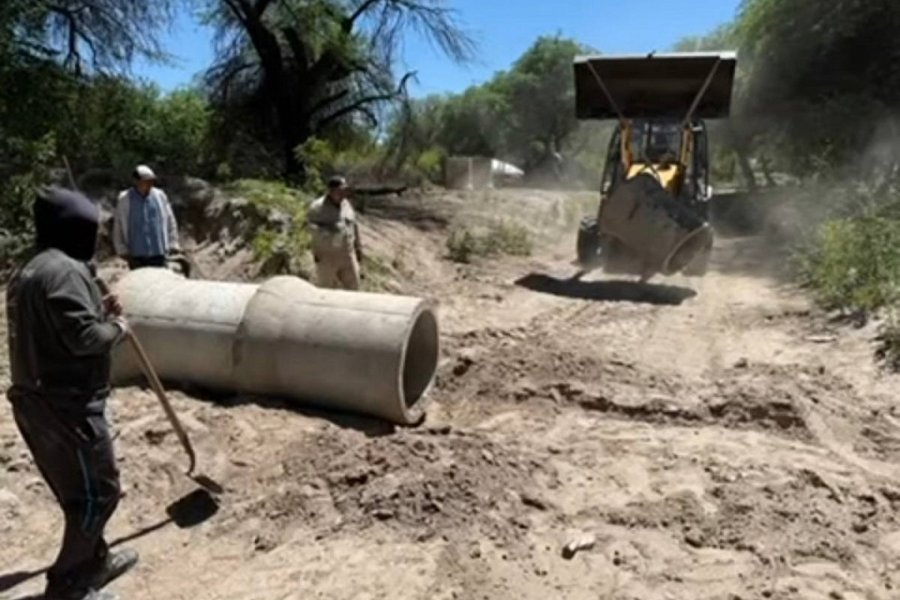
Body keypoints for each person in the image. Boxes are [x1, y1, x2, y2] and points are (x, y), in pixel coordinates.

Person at [7, 186, 138, 600]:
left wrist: (100, 311)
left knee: (77, 493)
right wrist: (117, 329)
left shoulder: (30, 268)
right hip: (67, 405)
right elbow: (82, 338)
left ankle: (94, 562)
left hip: (36, 400)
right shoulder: (64, 271)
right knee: (98, 495)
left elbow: (59, 325)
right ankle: (67, 584)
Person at [112, 165, 181, 270]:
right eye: (146, 182)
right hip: (136, 256)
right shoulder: (125, 199)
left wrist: (173, 242)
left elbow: (170, 220)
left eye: (151, 181)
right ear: (136, 181)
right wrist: (121, 249)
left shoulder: (160, 196)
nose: (149, 185)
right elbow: (118, 226)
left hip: (159, 253)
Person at [307, 175, 363, 290]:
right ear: (331, 191)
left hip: (347, 255)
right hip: (327, 257)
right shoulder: (317, 207)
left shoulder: (346, 204)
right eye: (340, 190)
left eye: (345, 190)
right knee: (326, 291)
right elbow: (310, 228)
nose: (343, 193)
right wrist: (328, 230)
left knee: (354, 288)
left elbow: (353, 225)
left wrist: (358, 248)